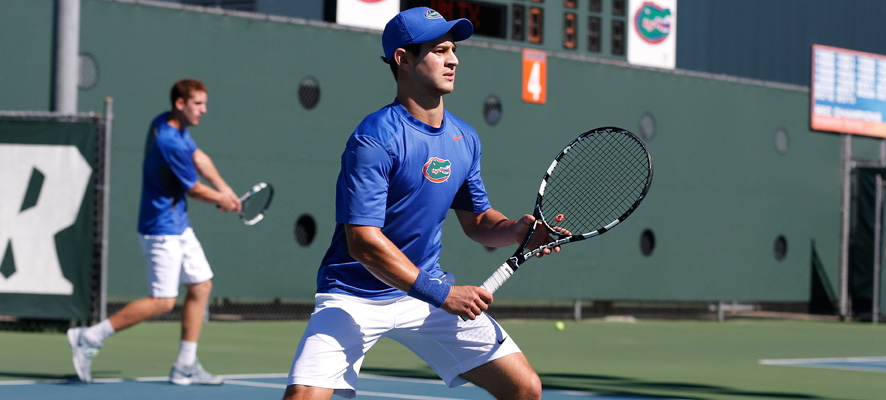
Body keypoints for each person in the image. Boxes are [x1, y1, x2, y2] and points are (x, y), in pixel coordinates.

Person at [283, 8, 564, 400]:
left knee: (524, 388)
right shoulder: (373, 139)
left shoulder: (465, 138)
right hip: (353, 294)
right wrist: (442, 294)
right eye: (439, 50)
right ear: (403, 59)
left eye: (454, 50)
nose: (453, 60)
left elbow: (478, 221)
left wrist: (518, 231)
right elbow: (363, 242)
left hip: (423, 294)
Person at [67, 78, 242, 385]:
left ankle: (185, 365)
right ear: (180, 103)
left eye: (204, 104)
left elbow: (199, 158)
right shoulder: (170, 142)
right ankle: (89, 337)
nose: (203, 110)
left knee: (201, 286)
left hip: (178, 225)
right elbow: (194, 189)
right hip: (161, 228)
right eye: (198, 104)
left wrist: (226, 191)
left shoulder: (166, 123)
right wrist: (221, 199)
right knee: (162, 301)